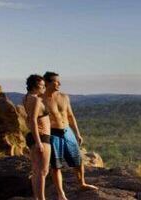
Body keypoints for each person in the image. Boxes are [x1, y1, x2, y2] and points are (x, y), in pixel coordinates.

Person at [42, 71, 98, 200]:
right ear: (47, 83)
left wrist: (77, 133)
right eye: (56, 81)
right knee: (56, 165)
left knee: (77, 160)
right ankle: (61, 194)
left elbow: (70, 116)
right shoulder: (40, 99)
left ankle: (82, 183)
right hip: (52, 134)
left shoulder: (64, 97)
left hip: (67, 131)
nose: (59, 83)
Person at [24, 74, 51, 200]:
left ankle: (37, 197)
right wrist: (39, 142)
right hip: (41, 137)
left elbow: (28, 119)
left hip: (35, 136)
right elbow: (33, 120)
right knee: (43, 171)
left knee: (36, 171)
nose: (44, 87)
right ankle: (42, 198)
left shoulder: (26, 98)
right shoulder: (35, 100)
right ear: (36, 86)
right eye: (42, 85)